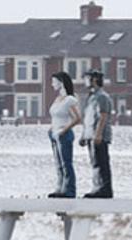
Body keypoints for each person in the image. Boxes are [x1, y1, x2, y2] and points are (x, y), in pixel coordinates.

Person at [79, 69, 113, 198]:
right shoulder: (91, 97)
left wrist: (98, 134)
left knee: (101, 163)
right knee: (94, 162)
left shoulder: (102, 97)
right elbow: (88, 117)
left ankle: (104, 189)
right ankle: (96, 187)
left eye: (87, 78)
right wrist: (84, 135)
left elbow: (103, 116)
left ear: (94, 80)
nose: (85, 81)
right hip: (90, 135)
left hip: (98, 136)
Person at [47, 72, 81, 198]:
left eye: (54, 82)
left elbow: (77, 118)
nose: (52, 84)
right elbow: (55, 116)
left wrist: (64, 130)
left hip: (64, 134)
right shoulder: (57, 99)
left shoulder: (69, 100)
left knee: (66, 163)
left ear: (61, 82)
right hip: (54, 134)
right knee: (58, 163)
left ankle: (69, 190)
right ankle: (60, 188)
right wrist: (51, 129)